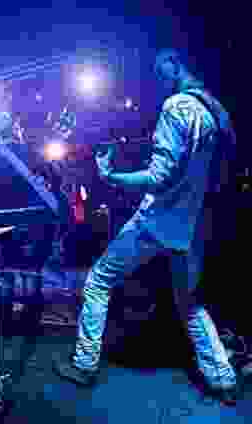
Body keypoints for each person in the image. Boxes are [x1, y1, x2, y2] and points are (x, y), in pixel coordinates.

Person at [54, 49, 242, 405]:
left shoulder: (176, 107)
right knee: (190, 302)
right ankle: (223, 379)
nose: (157, 81)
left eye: (160, 71)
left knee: (97, 281)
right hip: (192, 226)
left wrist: (111, 176)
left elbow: (160, 176)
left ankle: (84, 363)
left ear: (174, 65)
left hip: (157, 222)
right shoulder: (216, 113)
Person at [0, 112, 72, 371]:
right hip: (35, 224)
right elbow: (55, 178)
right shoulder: (30, 151)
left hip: (4, 227)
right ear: (16, 129)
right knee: (32, 274)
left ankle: (7, 325)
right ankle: (31, 324)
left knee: (7, 275)